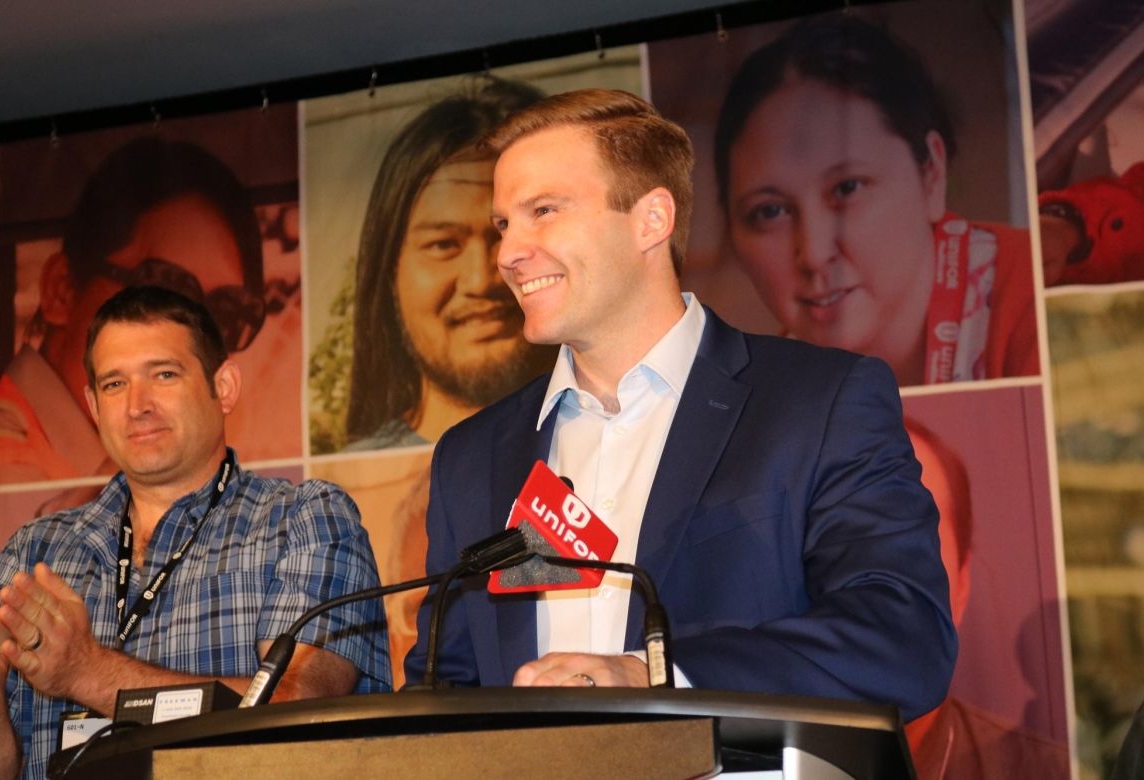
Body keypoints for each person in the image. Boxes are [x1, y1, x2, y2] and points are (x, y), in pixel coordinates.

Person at [403, 88, 955, 721]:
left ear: (651, 220)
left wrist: (658, 675)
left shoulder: (818, 402)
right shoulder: (472, 457)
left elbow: (902, 638)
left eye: (544, 210)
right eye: (505, 223)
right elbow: (443, 697)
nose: (507, 254)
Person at [0, 286, 390, 780]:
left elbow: (294, 711)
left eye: (164, 375)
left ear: (225, 387)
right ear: (92, 406)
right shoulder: (32, 552)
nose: (137, 406)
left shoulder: (306, 519)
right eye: (113, 385)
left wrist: (86, 671)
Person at [712, 16, 1038, 387]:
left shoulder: (1036, 298)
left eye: (847, 188)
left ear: (931, 173)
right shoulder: (762, 391)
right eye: (770, 211)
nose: (815, 255)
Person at [0, 137, 268, 484]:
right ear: (61, 290)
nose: (189, 340)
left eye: (225, 315)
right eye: (164, 294)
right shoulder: (5, 457)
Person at [343, 77, 555, 450]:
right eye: (443, 244)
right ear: (390, 273)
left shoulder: (619, 442)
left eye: (504, 233)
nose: (480, 280)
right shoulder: (344, 488)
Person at [903, 419, 1068, 779]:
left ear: (962, 585)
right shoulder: (756, 756)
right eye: (844, 541)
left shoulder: (1042, 772)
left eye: (916, 546)